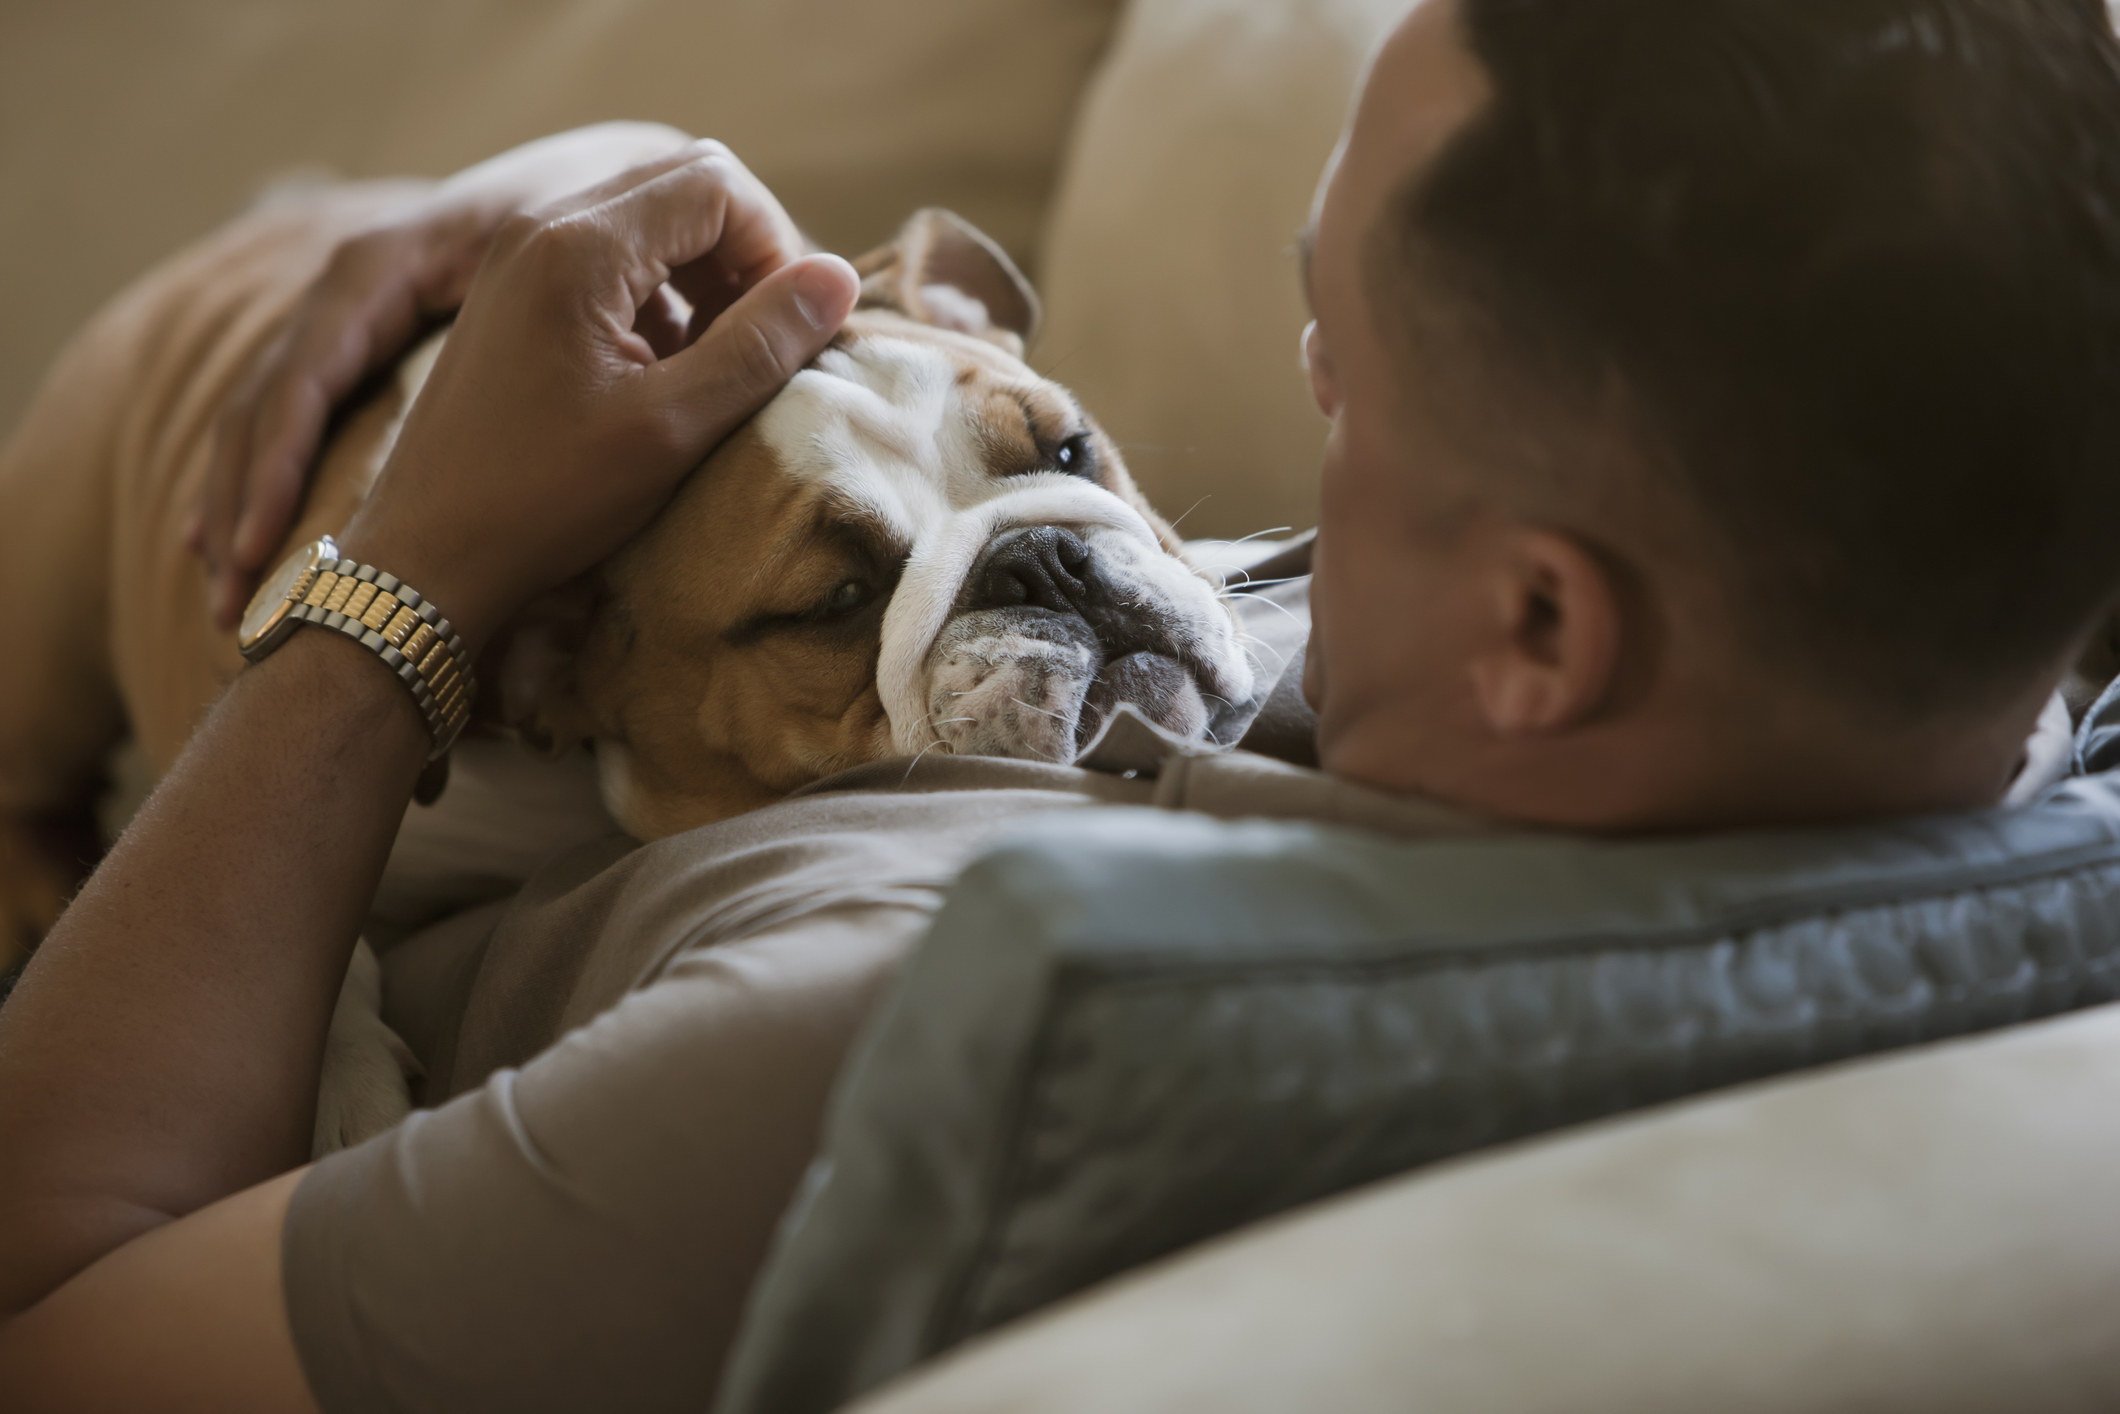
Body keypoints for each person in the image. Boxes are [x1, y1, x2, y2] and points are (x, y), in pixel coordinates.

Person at [4, 0, 2118, 1407]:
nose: (1298, 412)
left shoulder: (939, 1027)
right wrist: (617, 180)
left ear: (1541, 635)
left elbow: (56, 1311)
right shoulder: (1959, 724)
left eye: (1336, 358)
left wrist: (421, 566)